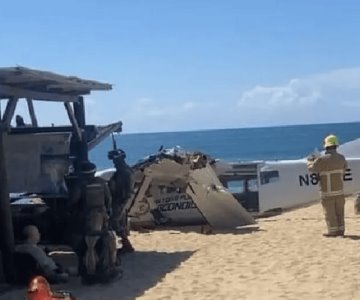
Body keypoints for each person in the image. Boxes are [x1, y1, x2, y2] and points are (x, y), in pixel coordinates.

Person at [66, 161, 120, 285]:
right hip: (101, 220)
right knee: (102, 246)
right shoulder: (101, 183)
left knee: (84, 247)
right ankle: (103, 272)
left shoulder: (80, 185)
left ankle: (87, 273)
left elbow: (73, 201)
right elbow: (108, 200)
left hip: (85, 221)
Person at [307, 134, 348, 237]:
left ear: (326, 146)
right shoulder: (342, 158)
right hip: (339, 191)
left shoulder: (322, 160)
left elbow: (311, 169)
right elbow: (344, 170)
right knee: (340, 213)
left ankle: (333, 231)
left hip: (327, 192)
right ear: (336, 145)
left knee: (330, 214)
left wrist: (310, 160)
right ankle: (341, 230)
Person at [108, 149, 135, 256]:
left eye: (115, 161)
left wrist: (120, 200)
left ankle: (127, 245)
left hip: (121, 199)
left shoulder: (124, 172)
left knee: (115, 221)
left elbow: (124, 189)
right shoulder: (124, 170)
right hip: (121, 199)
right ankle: (126, 244)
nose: (114, 163)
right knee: (119, 222)